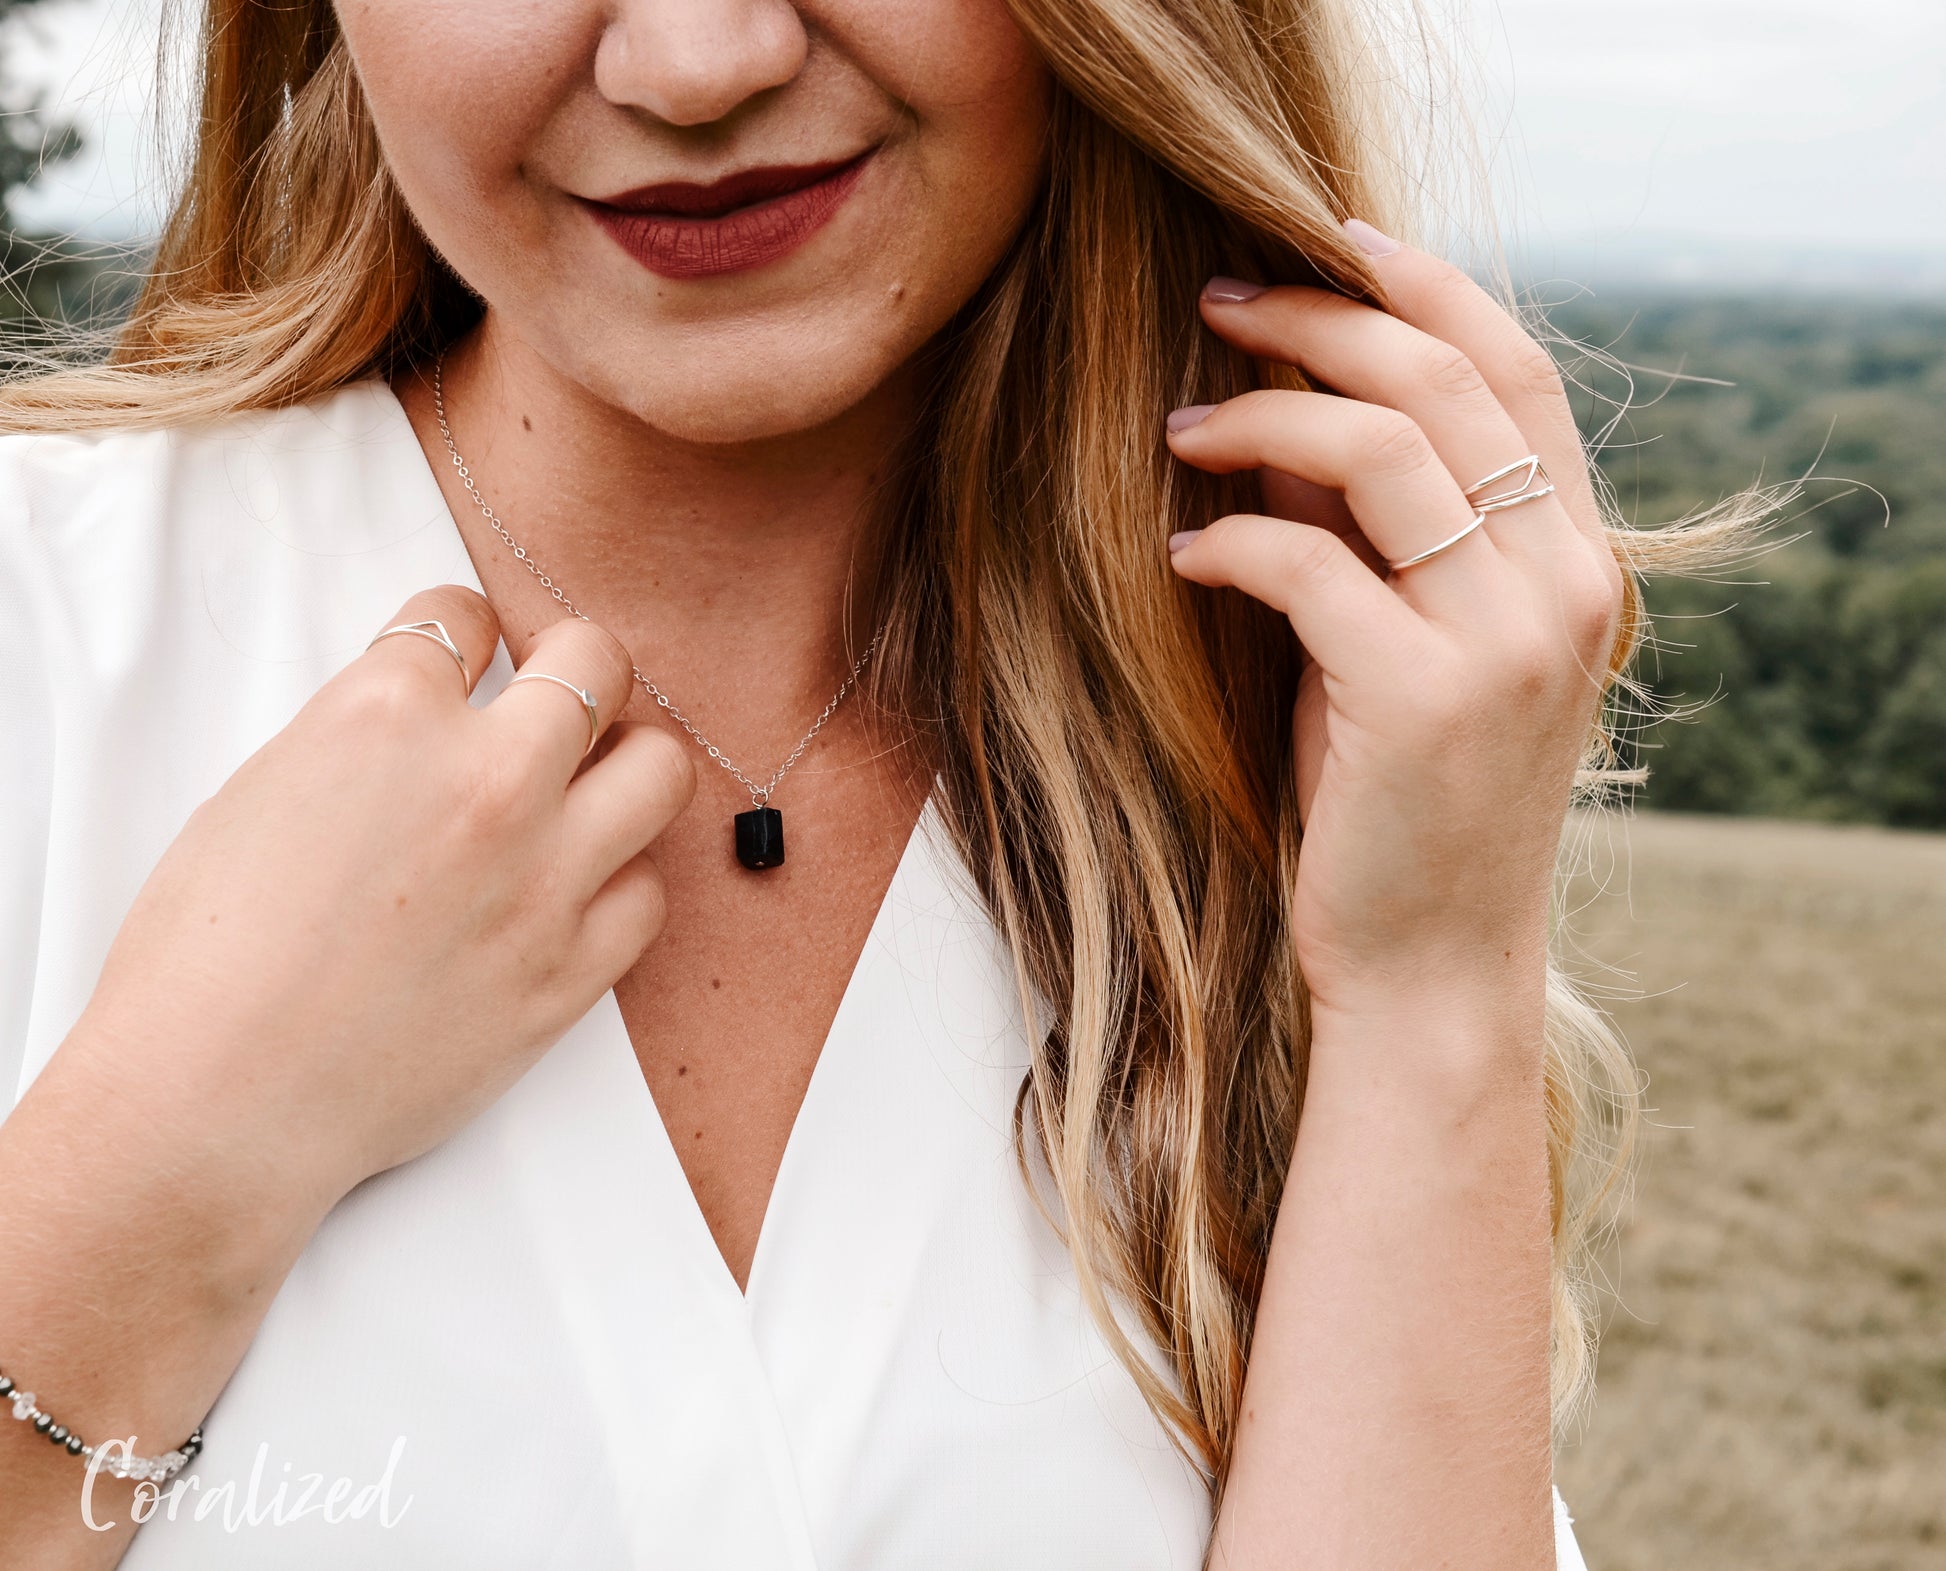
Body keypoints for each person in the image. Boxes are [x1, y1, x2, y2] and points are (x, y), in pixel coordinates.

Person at [0, 0, 1756, 1565]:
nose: (696, 62)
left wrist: (1435, 984)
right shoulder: (48, 634)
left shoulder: (1300, 733)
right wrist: (155, 1173)